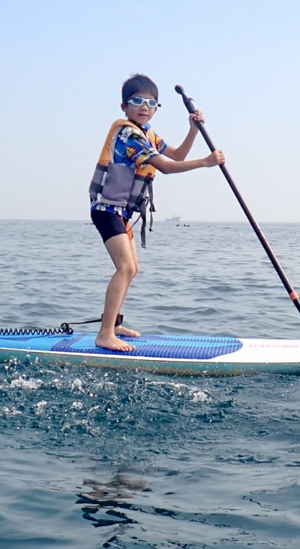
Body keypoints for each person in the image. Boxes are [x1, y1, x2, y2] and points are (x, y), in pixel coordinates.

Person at [88, 74, 225, 351]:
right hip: (106, 209)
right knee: (125, 268)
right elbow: (164, 166)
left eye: (151, 103)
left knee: (132, 269)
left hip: (122, 212)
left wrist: (193, 130)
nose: (144, 107)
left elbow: (177, 155)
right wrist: (206, 162)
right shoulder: (128, 133)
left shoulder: (148, 133)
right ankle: (104, 334)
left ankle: (113, 324)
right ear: (124, 106)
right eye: (137, 101)